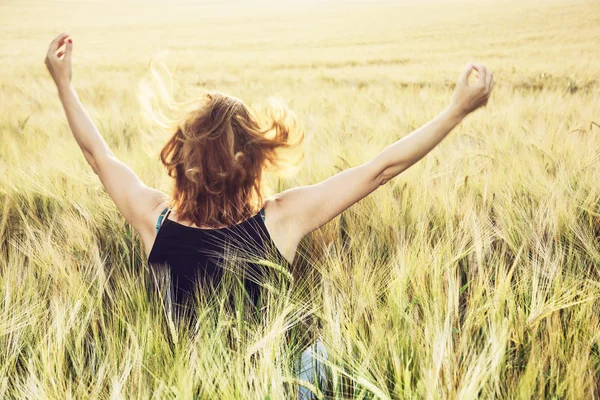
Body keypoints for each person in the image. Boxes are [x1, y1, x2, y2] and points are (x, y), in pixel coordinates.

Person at [44, 32, 493, 398]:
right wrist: (455, 111)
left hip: (183, 386)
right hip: (272, 389)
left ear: (181, 158)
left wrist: (64, 85)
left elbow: (97, 156)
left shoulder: (154, 219)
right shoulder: (281, 219)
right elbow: (379, 170)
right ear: (254, 160)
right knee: (334, 354)